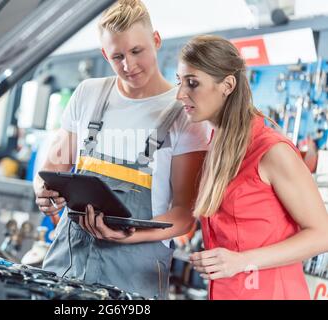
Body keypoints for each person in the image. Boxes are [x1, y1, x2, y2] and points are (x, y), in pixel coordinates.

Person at [86, 34, 328, 300]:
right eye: (180, 82)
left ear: (227, 85)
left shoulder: (272, 151)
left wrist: (242, 260)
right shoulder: (215, 144)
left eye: (193, 83)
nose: (180, 94)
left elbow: (322, 235)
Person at [33, 0, 210, 299]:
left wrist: (127, 236)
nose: (129, 65)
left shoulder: (185, 114)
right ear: (105, 54)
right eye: (117, 56)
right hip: (67, 262)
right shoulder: (88, 94)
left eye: (136, 51)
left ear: (155, 40)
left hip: (134, 275)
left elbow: (183, 215)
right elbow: (52, 169)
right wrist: (43, 192)